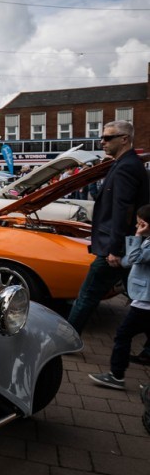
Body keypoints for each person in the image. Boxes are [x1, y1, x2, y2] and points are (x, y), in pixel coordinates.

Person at [67, 121, 150, 335]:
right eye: (102, 137)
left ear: (124, 139)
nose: (102, 142)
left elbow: (122, 211)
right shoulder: (124, 163)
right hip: (125, 243)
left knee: (87, 296)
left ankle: (65, 339)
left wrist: (114, 248)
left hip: (114, 248)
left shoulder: (126, 167)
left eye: (107, 137)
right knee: (139, 296)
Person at [89, 204, 150, 389]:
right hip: (144, 299)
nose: (137, 228)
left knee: (123, 334)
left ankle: (116, 375)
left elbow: (136, 258)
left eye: (141, 224)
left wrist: (138, 237)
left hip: (145, 301)